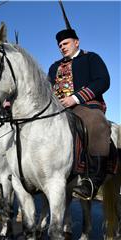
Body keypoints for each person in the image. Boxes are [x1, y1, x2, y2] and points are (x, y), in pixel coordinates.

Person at [48, 27, 111, 200]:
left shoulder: (91, 58)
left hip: (85, 105)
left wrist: (75, 98)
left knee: (97, 124)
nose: (62, 47)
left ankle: (93, 181)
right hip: (57, 108)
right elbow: (46, 88)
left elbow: (103, 80)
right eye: (60, 45)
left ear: (77, 42)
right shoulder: (54, 67)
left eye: (65, 43)